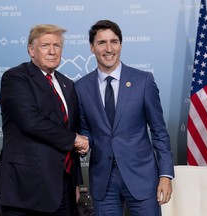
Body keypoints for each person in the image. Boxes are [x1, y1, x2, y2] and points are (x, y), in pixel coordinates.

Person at [75, 20, 174, 216]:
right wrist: (84, 142)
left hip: (142, 178)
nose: (109, 48)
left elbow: (159, 131)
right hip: (103, 181)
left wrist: (165, 175)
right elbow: (86, 129)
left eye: (114, 41)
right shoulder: (80, 87)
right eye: (102, 42)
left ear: (121, 45)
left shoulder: (143, 81)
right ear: (92, 47)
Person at [0, 24, 89, 216]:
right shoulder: (16, 78)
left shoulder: (67, 84)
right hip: (25, 191)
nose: (52, 51)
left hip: (63, 189)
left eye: (57, 46)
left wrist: (77, 183)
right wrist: (75, 139)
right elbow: (31, 121)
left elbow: (70, 130)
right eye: (45, 45)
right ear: (31, 50)